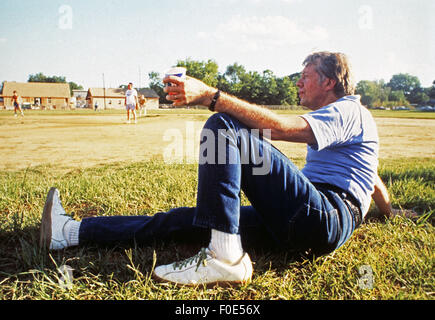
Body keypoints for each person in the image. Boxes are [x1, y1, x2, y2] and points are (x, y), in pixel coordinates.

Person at [39, 51, 414, 287]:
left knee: (222, 128)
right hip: (307, 222)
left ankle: (224, 259)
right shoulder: (346, 125)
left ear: (329, 81)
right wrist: (390, 211)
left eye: (306, 74)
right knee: (193, 220)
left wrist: (210, 97)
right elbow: (372, 177)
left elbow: (282, 131)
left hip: (324, 215)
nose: (298, 81)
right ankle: (70, 232)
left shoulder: (349, 109)